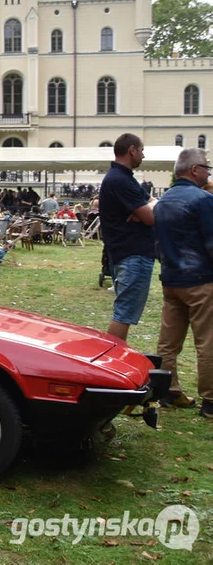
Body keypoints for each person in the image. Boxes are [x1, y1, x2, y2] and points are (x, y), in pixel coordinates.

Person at [152, 148, 213, 415]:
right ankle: (210, 401)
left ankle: (167, 391)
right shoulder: (203, 200)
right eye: (207, 168)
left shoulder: (162, 201)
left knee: (168, 342)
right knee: (207, 341)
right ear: (194, 169)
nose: (208, 172)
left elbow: (157, 243)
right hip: (199, 279)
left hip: (171, 279)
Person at [99, 133, 157, 341]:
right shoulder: (120, 180)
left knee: (124, 312)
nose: (143, 155)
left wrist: (146, 208)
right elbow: (151, 217)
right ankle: (112, 363)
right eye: (142, 150)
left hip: (125, 253)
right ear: (132, 149)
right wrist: (147, 209)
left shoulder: (122, 178)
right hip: (133, 253)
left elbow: (151, 202)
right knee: (124, 314)